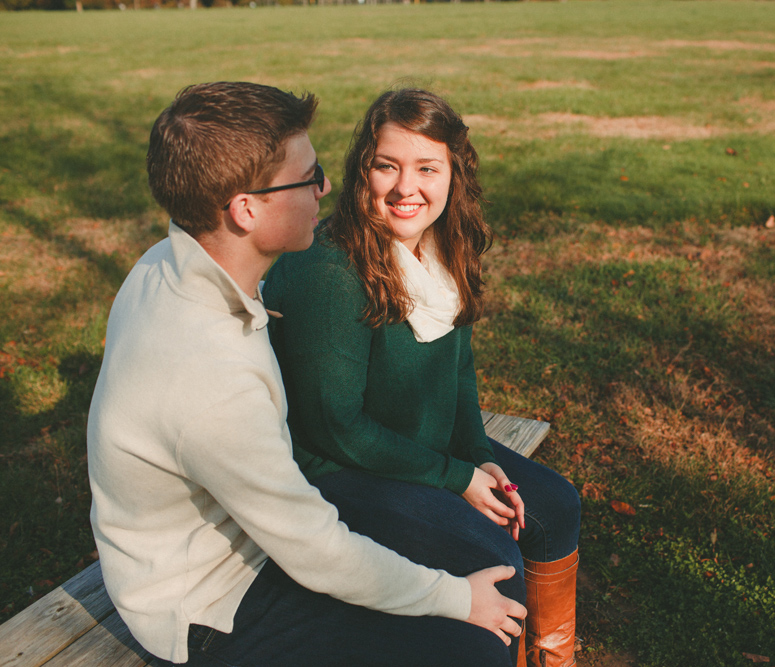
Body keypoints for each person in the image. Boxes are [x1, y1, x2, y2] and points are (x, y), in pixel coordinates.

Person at [86, 81, 526, 667]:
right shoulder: (210, 380)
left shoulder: (166, 258)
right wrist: (453, 598)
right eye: (308, 176)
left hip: (259, 534)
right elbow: (315, 550)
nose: (326, 187)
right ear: (246, 209)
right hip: (212, 601)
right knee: (470, 645)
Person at [263, 88, 581, 667]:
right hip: (340, 475)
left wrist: (478, 457)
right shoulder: (329, 271)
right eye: (388, 166)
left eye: (427, 168)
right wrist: (454, 478)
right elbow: (332, 425)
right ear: (365, 170)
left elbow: (457, 370)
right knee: (492, 556)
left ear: (454, 175)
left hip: (423, 455)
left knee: (555, 506)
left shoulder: (442, 245)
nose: (407, 188)